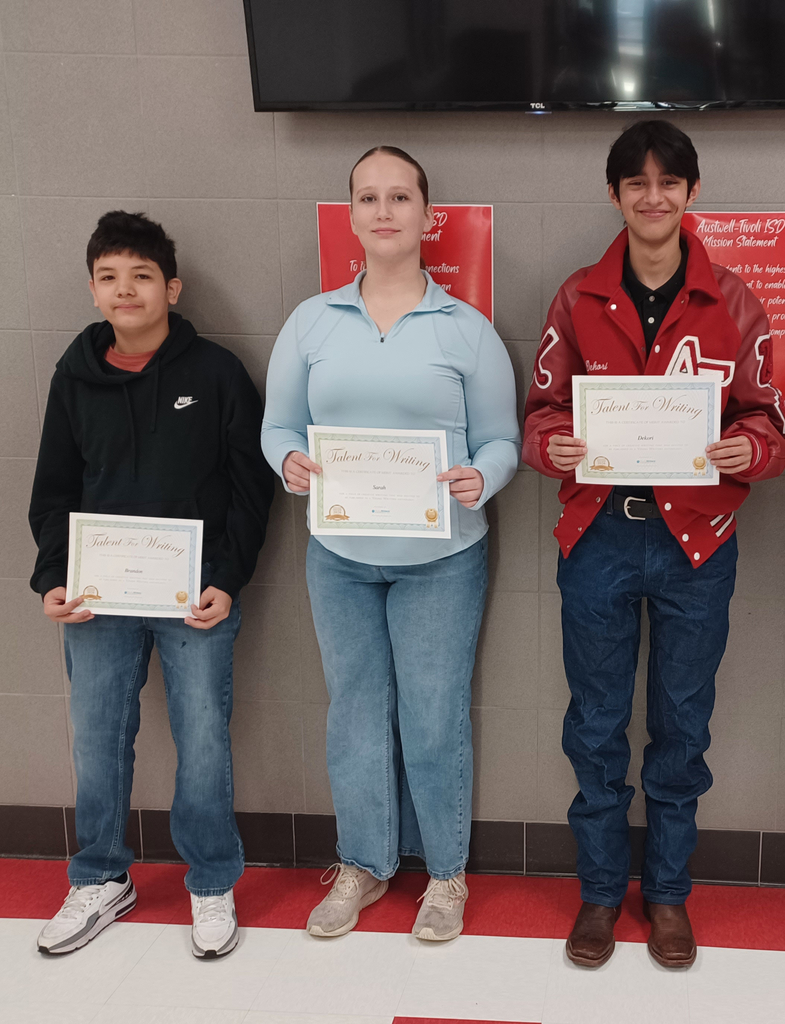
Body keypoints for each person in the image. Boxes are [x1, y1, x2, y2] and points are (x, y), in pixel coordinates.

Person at [523, 120, 785, 969]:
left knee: (682, 725)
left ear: (690, 192)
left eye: (668, 181)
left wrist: (753, 449)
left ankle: (666, 894)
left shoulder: (733, 300)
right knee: (595, 726)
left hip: (696, 545)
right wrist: (551, 445)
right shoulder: (575, 296)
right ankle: (601, 893)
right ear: (614, 195)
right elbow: (539, 415)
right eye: (634, 182)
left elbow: (768, 415)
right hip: (597, 536)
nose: (651, 195)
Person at [262, 146, 520, 941]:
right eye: (368, 197)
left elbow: (501, 440)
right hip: (339, 556)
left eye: (399, 196)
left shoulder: (465, 329)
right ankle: (365, 865)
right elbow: (277, 427)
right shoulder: (310, 321)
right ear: (350, 216)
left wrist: (484, 476)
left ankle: (444, 875)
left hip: (441, 558)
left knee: (435, 715)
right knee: (355, 713)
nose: (383, 210)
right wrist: (289, 462)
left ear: (426, 217)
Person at [29, 211, 275, 959]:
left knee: (203, 740)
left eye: (141, 276)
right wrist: (53, 578)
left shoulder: (216, 375)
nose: (124, 290)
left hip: (194, 599)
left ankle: (209, 883)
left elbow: (249, 490)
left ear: (171, 286)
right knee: (98, 741)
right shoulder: (74, 377)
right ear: (94, 290)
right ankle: (101, 876)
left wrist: (227, 580)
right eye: (109, 277)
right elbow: (52, 491)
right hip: (97, 599)